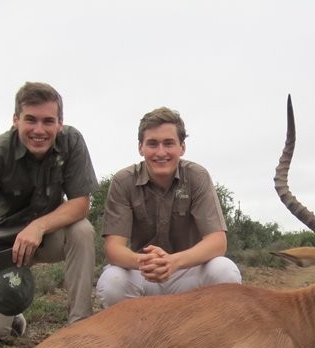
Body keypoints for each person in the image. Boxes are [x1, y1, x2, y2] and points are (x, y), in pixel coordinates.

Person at [0, 82, 98, 341]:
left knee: (82, 230)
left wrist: (38, 227)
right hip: (3, 248)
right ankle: (12, 315)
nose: (39, 130)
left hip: (47, 238)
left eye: (48, 121)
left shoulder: (72, 142)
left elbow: (81, 203)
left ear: (60, 123)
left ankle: (80, 327)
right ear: (16, 120)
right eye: (30, 120)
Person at [96, 106, 241, 307]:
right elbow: (113, 249)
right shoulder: (124, 181)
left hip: (187, 272)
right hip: (144, 272)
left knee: (225, 271)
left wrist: (174, 262)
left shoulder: (197, 177)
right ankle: (136, 336)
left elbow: (217, 242)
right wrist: (145, 263)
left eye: (169, 143)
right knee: (113, 282)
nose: (161, 152)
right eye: (152, 144)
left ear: (182, 147)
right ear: (140, 147)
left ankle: (206, 335)